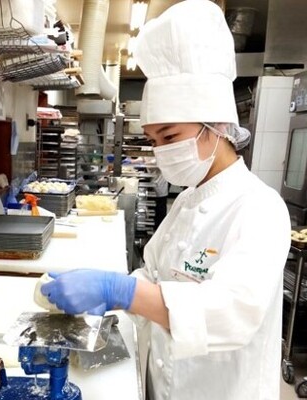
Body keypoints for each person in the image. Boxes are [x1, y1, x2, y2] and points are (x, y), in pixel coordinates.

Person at [40, 1, 291, 399]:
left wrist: (119, 291)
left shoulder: (259, 208)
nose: (161, 152)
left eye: (170, 136)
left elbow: (232, 313)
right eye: (154, 140)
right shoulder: (186, 202)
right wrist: (116, 288)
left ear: (217, 125)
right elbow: (155, 276)